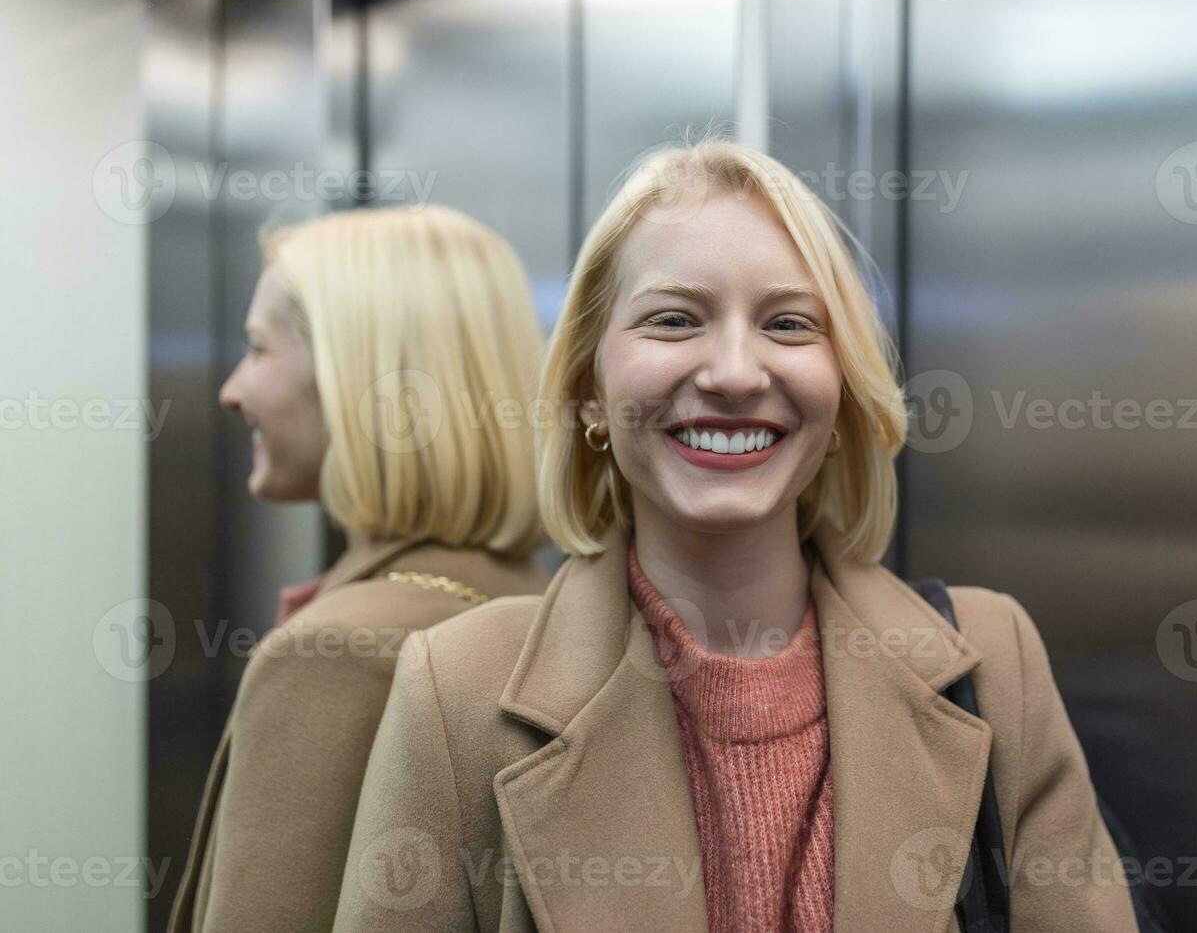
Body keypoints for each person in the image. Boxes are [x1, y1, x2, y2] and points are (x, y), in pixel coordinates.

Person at [333, 141, 1137, 932]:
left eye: (788, 324)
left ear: (843, 396)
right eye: (675, 319)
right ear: (587, 389)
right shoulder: (456, 692)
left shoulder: (997, 663)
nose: (734, 373)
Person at [168, 205, 551, 933]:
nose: (230, 390)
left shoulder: (332, 655)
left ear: (352, 375)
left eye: (256, 349)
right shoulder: (545, 610)